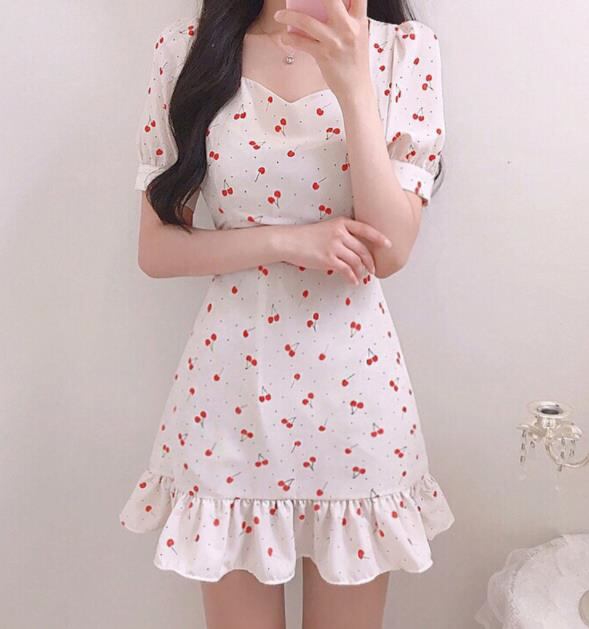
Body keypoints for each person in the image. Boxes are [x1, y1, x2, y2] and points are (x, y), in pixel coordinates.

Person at [119, 1, 455, 627]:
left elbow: (390, 249)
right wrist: (287, 241)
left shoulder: (405, 52)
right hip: (228, 398)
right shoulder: (187, 51)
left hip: (355, 403)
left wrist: (353, 82)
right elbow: (156, 249)